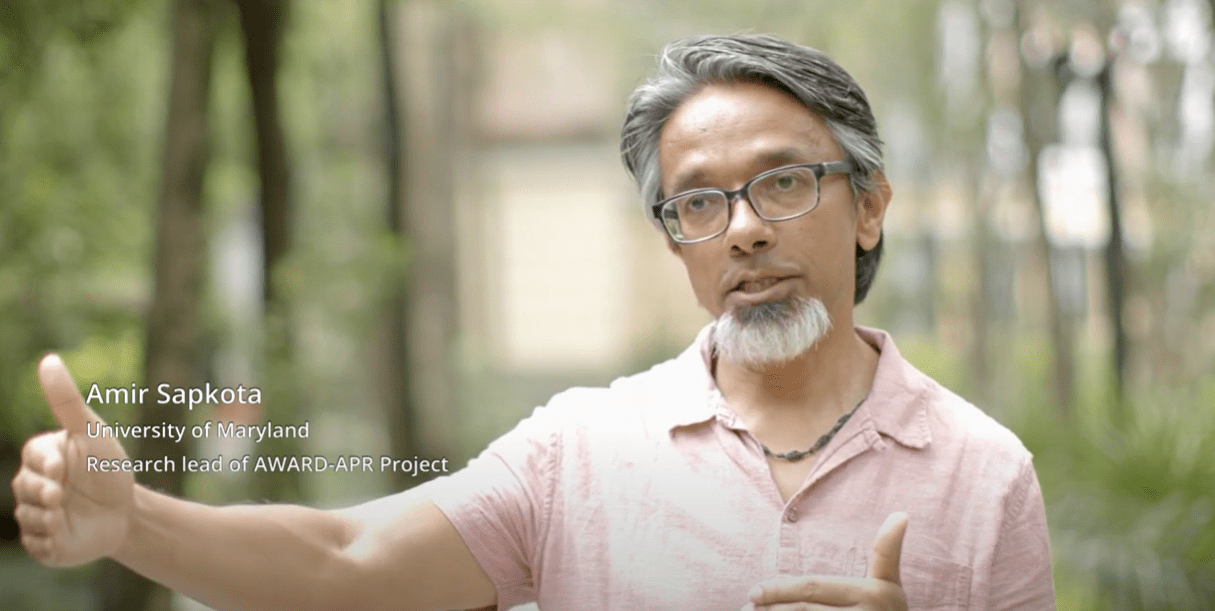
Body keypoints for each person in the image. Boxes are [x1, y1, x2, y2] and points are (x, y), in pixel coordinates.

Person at [11, 34, 1055, 611]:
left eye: (781, 182)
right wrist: (136, 522)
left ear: (869, 201)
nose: (740, 229)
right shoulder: (579, 451)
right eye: (698, 200)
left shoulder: (983, 472)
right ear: (675, 239)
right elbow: (342, 555)